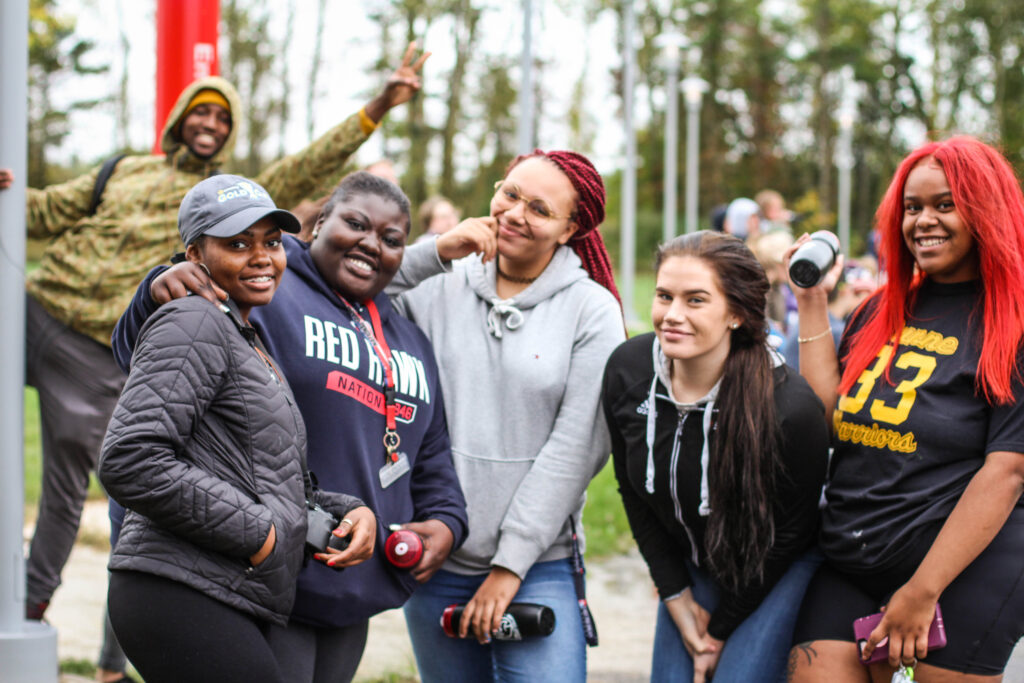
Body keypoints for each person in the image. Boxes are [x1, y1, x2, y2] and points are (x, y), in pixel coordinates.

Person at [5, 44, 428, 636]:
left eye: (223, 117)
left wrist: (380, 105)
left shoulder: (236, 199)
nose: (210, 123)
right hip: (42, 310)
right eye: (200, 112)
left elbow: (314, 170)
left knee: (94, 482)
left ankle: (52, 620)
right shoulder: (122, 170)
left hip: (99, 352)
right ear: (179, 119)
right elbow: (44, 210)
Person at [112, 171, 468, 682]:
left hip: (350, 584)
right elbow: (145, 357)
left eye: (393, 240)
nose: (372, 243)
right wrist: (152, 291)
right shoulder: (264, 293)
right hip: (259, 580)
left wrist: (446, 520)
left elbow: (431, 452)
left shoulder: (411, 339)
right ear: (318, 224)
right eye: (355, 223)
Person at [787, 136, 1024, 680]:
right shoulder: (879, 309)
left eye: (946, 204)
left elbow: (1007, 471)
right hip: (856, 552)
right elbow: (830, 420)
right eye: (912, 208)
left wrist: (922, 591)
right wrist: (812, 302)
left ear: (985, 209)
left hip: (966, 565)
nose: (924, 221)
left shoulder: (1013, 323)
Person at [386, 150, 626, 682]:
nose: (515, 213)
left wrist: (509, 564)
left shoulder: (592, 311)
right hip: (435, 556)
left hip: (540, 564)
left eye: (539, 209)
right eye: (510, 193)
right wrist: (433, 253)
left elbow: (576, 449)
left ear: (569, 230)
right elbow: (348, 286)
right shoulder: (436, 284)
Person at [601, 231, 829, 683]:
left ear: (737, 314)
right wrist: (675, 596)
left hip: (776, 566)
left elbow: (789, 535)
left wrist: (719, 630)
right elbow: (633, 491)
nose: (672, 315)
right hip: (696, 564)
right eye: (664, 296)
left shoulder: (790, 408)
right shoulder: (627, 369)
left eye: (696, 300)